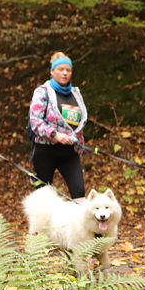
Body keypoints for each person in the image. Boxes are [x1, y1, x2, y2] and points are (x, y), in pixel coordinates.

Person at [28, 52, 87, 200]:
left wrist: (78, 143)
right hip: (45, 151)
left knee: (79, 191)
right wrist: (55, 135)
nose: (65, 73)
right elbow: (35, 121)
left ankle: (78, 216)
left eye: (68, 70)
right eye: (61, 69)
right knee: (44, 197)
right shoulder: (42, 92)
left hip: (69, 152)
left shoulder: (75, 93)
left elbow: (79, 124)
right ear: (52, 71)